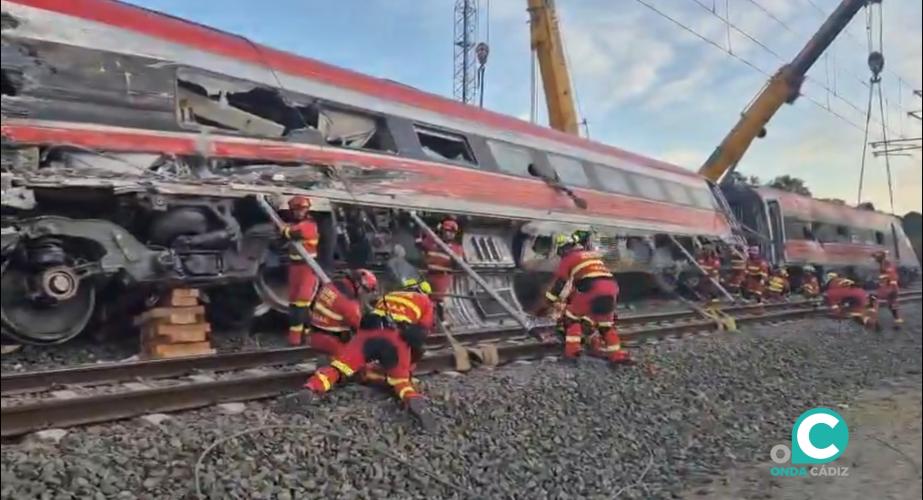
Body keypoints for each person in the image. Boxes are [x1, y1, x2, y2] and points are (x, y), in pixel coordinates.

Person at [302, 278, 437, 429]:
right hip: (395, 339)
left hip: (368, 335)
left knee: (340, 367)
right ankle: (413, 399)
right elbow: (420, 335)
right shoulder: (425, 302)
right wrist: (409, 364)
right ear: (424, 292)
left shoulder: (390, 296)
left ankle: (311, 388)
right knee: (401, 381)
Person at [542, 233, 631, 365]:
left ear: (564, 248)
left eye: (560, 251)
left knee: (571, 318)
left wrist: (549, 300)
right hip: (612, 288)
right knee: (605, 325)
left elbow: (560, 282)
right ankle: (616, 355)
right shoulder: (591, 255)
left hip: (593, 287)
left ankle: (572, 353)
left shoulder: (569, 258)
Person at [306, 269, 378, 355]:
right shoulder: (349, 303)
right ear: (358, 285)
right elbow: (359, 327)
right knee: (356, 360)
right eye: (366, 291)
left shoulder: (331, 285)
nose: (365, 294)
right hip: (332, 343)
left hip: (314, 335)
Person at [281, 195, 321, 346]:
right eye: (296, 210)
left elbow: (290, 233)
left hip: (307, 268)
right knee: (294, 303)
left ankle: (300, 339)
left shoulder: (309, 225)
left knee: (301, 304)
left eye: (301, 209)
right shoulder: (296, 224)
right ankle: (299, 337)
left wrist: (285, 230)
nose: (299, 213)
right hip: (295, 268)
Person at [416, 217, 464, 320]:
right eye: (447, 230)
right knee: (424, 298)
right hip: (428, 275)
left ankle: (440, 320)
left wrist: (449, 253)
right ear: (441, 230)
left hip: (442, 277)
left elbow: (458, 265)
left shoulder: (456, 248)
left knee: (438, 300)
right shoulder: (432, 241)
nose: (449, 234)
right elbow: (419, 244)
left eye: (452, 232)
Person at [872, 250, 902, 327]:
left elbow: (891, 276)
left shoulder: (886, 265)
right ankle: (897, 320)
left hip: (888, 288)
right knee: (891, 304)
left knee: (876, 302)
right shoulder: (885, 264)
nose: (875, 260)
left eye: (876, 258)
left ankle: (875, 322)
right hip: (892, 288)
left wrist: (887, 286)